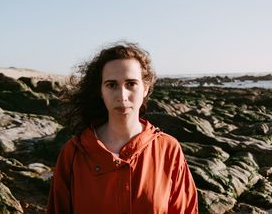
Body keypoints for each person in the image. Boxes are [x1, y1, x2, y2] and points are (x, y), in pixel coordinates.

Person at [47, 41, 198, 214]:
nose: (122, 95)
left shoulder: (168, 149)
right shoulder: (73, 153)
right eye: (111, 85)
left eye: (131, 84)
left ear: (145, 89)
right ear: (100, 91)